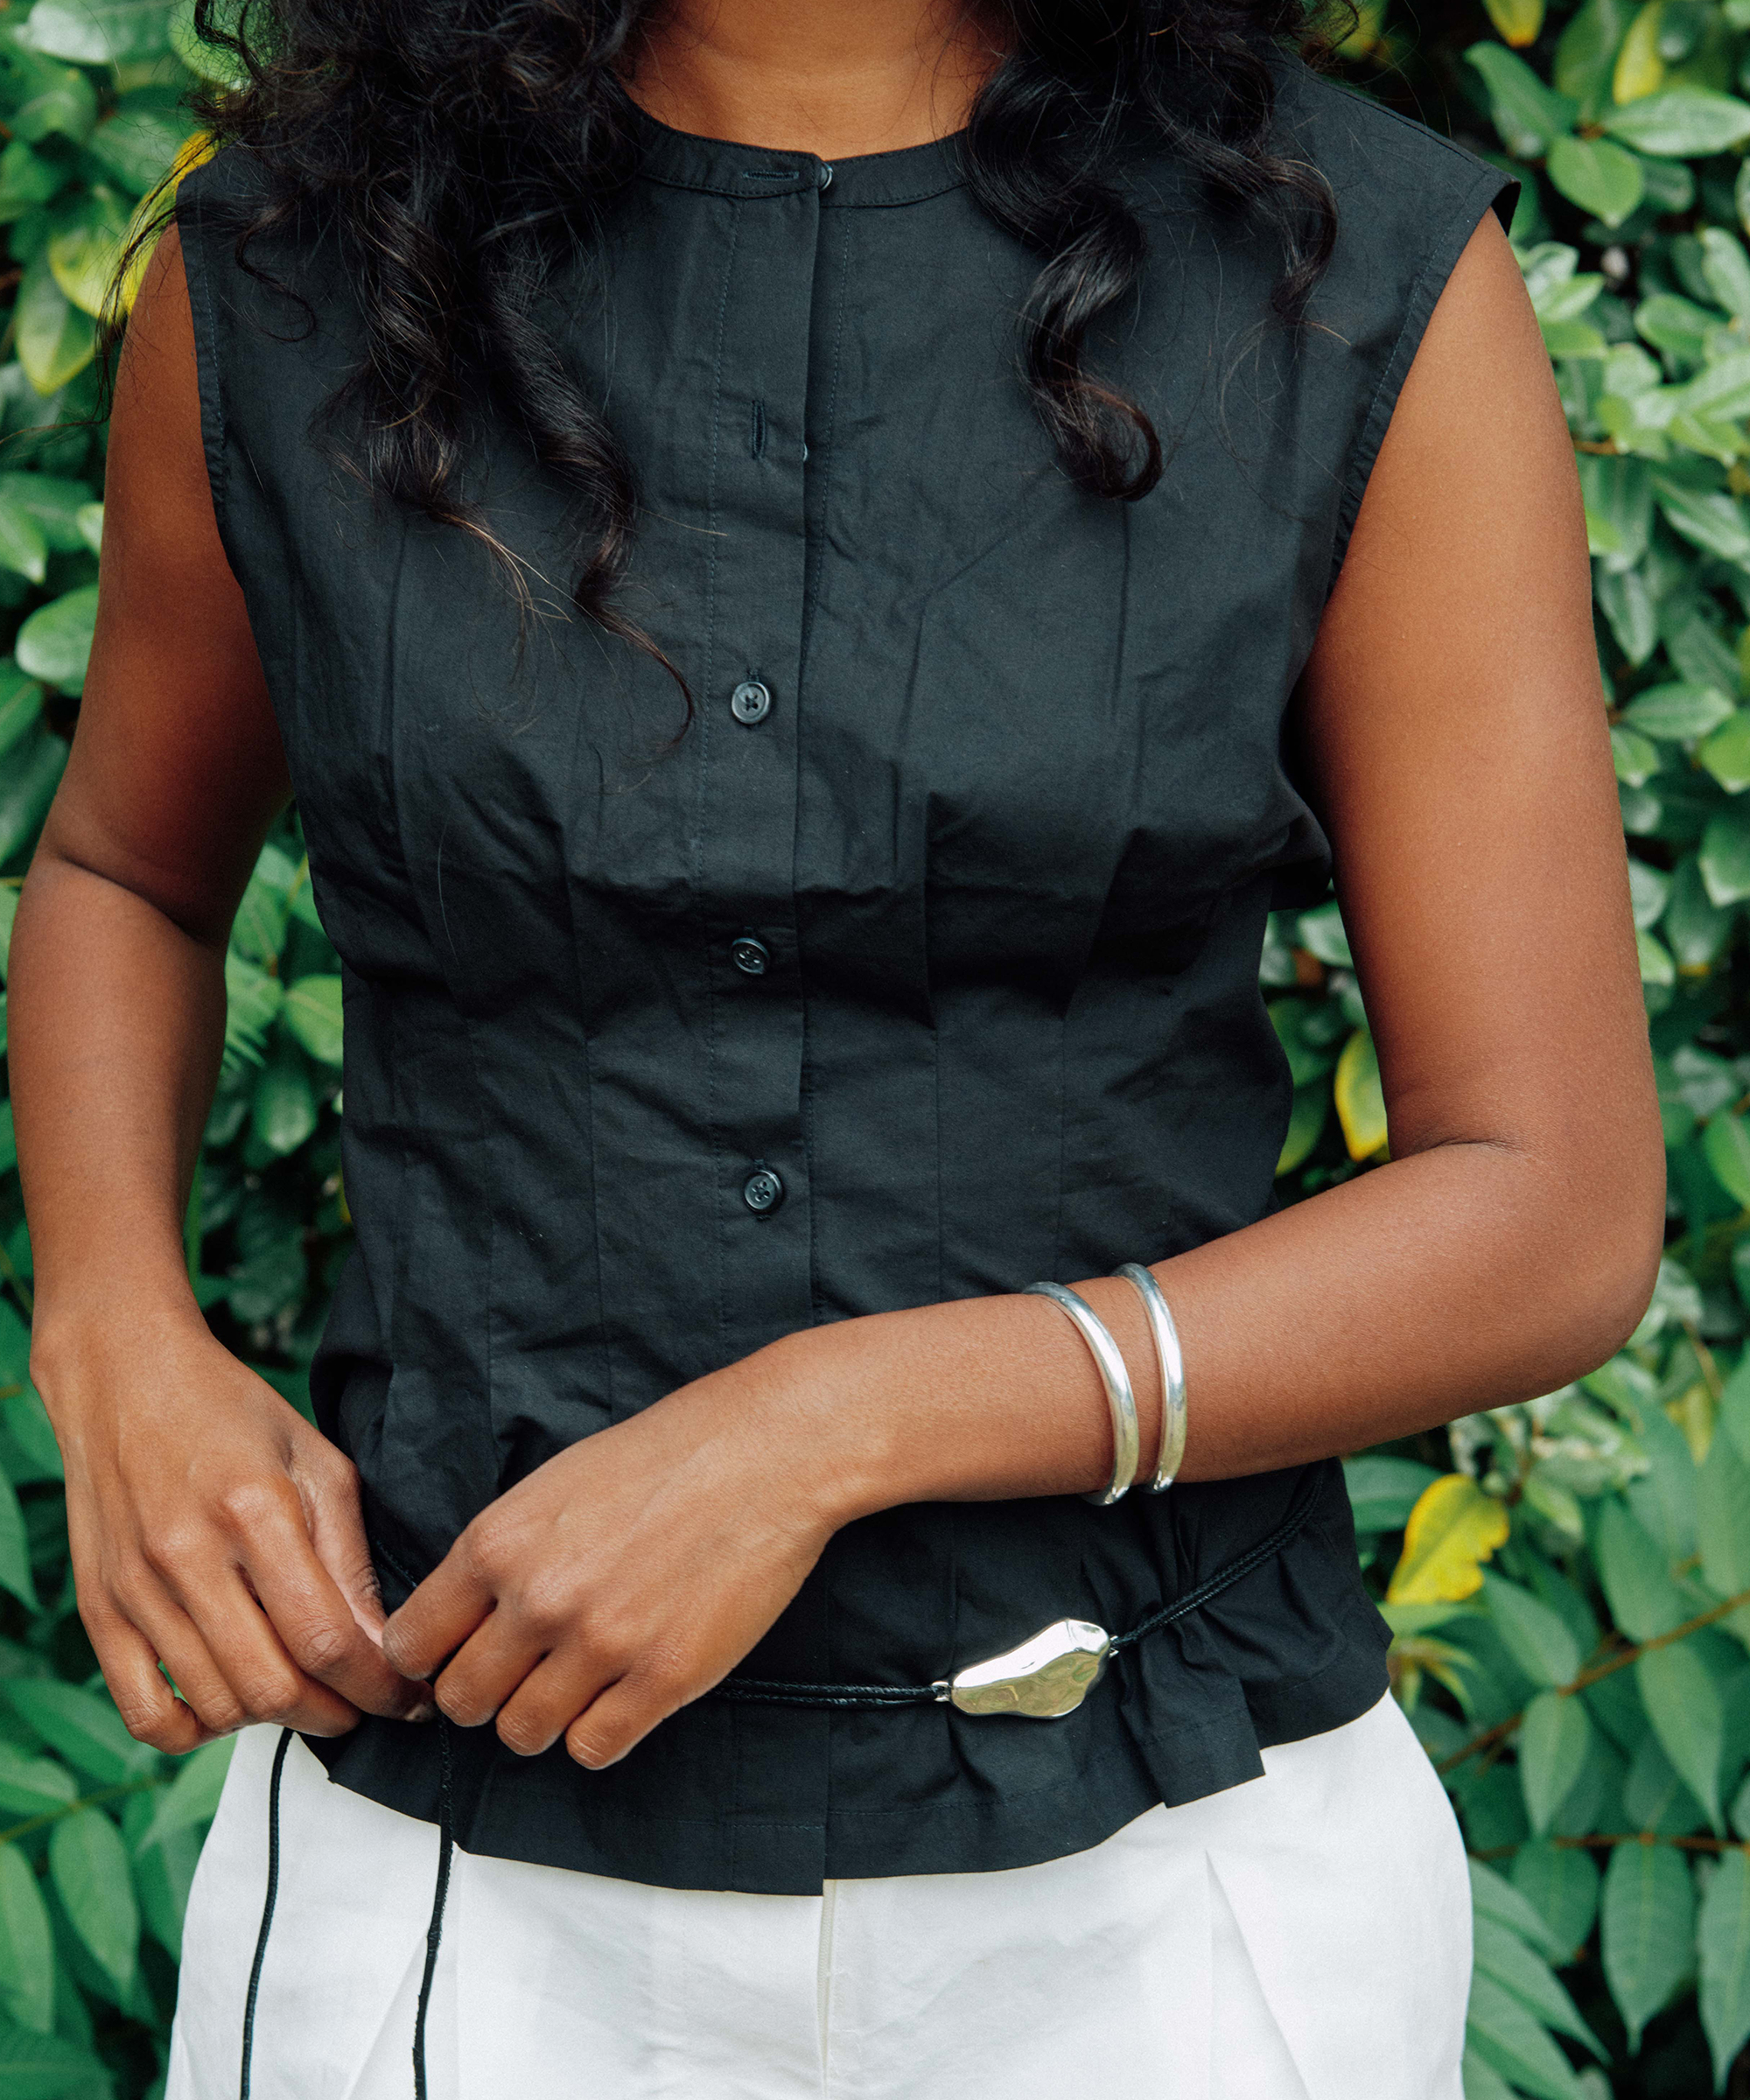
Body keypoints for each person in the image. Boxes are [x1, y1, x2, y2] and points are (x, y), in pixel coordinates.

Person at [8, 0, 1663, 2092]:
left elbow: (1552, 1206)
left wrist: (834, 1423)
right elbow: (127, 875)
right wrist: (117, 1333)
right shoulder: (286, 269)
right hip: (447, 1887)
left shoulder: (1353, 274)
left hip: (1176, 1896)